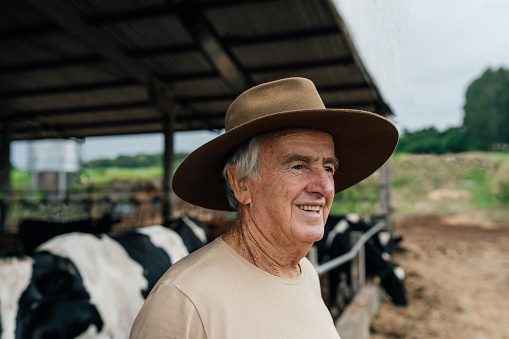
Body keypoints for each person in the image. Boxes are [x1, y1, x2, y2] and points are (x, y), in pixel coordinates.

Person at [129, 77, 398, 338]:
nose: (326, 188)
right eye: (298, 166)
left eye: (328, 168)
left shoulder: (306, 274)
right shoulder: (184, 301)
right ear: (241, 184)